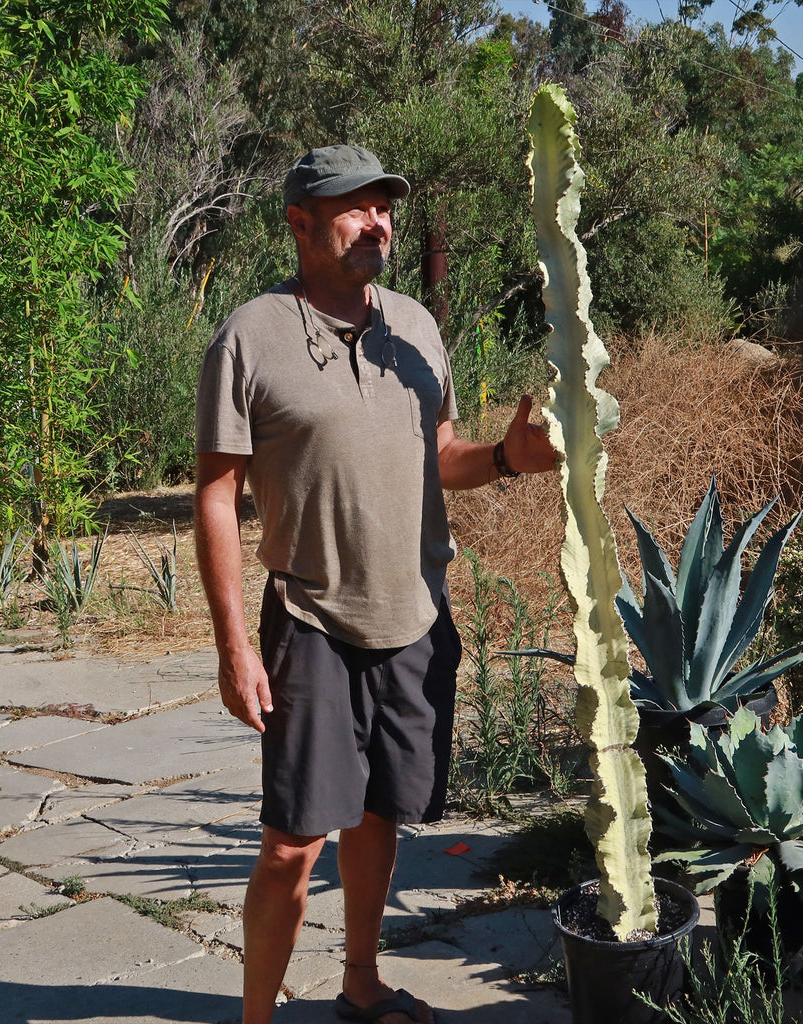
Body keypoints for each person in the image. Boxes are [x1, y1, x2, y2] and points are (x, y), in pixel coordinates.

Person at [194, 144, 556, 1024]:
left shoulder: (416, 327)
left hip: (415, 614)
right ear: (300, 223)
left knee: (380, 814)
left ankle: (361, 983)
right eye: (353, 209)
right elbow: (215, 492)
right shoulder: (250, 336)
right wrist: (234, 644)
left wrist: (510, 458)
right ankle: (257, 1018)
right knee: (292, 841)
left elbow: (439, 457)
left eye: (383, 208)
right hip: (312, 617)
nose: (377, 224)